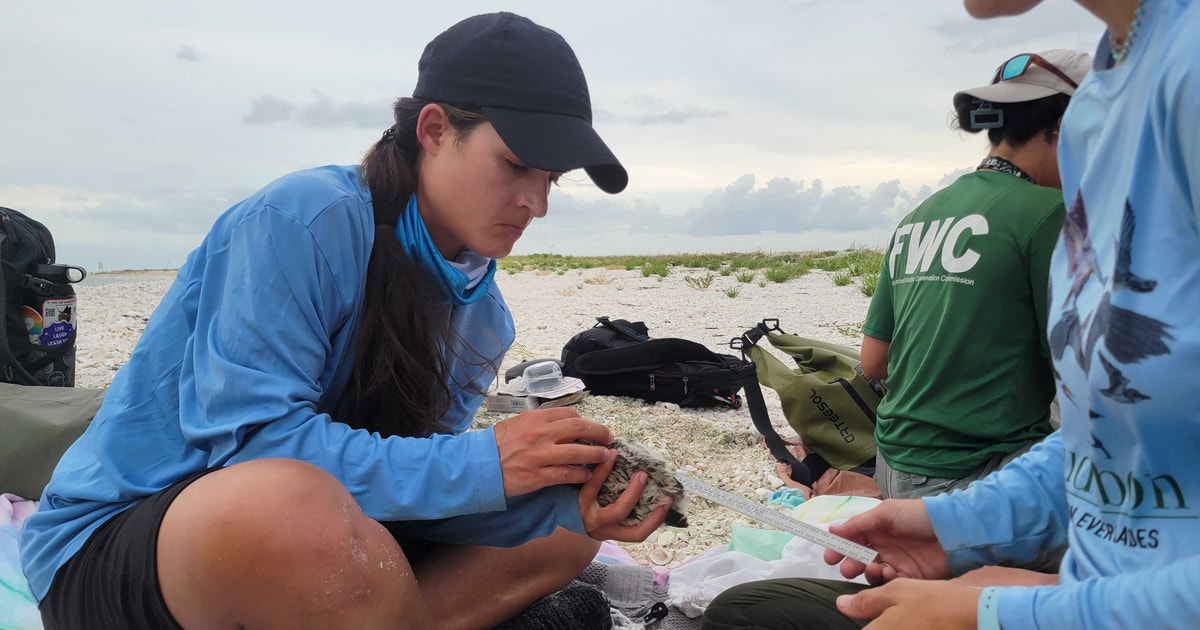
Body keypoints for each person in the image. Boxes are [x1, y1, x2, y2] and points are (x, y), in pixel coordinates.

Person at [20, 12, 671, 630]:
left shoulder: (484, 319)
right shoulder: (301, 221)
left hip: (324, 541)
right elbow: (249, 448)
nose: (536, 203)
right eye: (515, 165)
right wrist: (483, 465)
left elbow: (406, 486)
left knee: (564, 534)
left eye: (552, 178)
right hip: (125, 544)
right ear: (435, 131)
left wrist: (562, 496)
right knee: (291, 507)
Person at [702, 0, 1200, 627]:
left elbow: (875, 361)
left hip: (907, 469)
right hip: (1014, 513)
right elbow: (1100, 432)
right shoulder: (1115, 101)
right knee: (750, 611)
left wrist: (994, 610)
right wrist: (957, 523)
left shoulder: (918, 217)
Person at [859, 48, 1089, 501]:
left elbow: (874, 361)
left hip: (892, 471)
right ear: (1069, 127)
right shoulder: (1052, 216)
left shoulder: (918, 216)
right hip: (974, 483)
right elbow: (1087, 377)